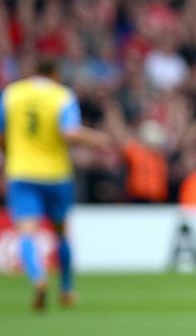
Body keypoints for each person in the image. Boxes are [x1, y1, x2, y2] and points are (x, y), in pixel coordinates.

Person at [0, 57, 114, 309]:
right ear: (54, 74)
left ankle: (39, 278)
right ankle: (66, 290)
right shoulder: (61, 95)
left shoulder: (11, 94)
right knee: (62, 232)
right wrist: (98, 139)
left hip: (21, 172)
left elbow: (2, 133)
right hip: (56, 174)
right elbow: (69, 132)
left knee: (26, 232)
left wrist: (9, 157)